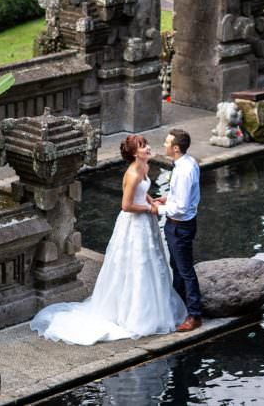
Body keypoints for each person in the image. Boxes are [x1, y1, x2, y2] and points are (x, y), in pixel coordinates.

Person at [29, 135, 186, 345]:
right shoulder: (132, 174)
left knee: (150, 263)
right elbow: (126, 205)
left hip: (146, 222)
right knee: (135, 264)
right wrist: (150, 208)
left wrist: (151, 199)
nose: (148, 148)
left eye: (147, 144)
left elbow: (142, 192)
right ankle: (133, 314)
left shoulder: (144, 168)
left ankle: (151, 307)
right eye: (142, 146)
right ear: (133, 153)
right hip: (135, 223)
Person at [151, 128, 203, 331]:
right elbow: (187, 197)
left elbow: (180, 207)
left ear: (175, 148)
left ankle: (194, 315)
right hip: (183, 224)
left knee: (185, 270)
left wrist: (159, 208)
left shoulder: (184, 171)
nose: (163, 145)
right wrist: (168, 198)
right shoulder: (188, 163)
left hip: (179, 226)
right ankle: (181, 307)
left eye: (166, 142)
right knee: (178, 268)